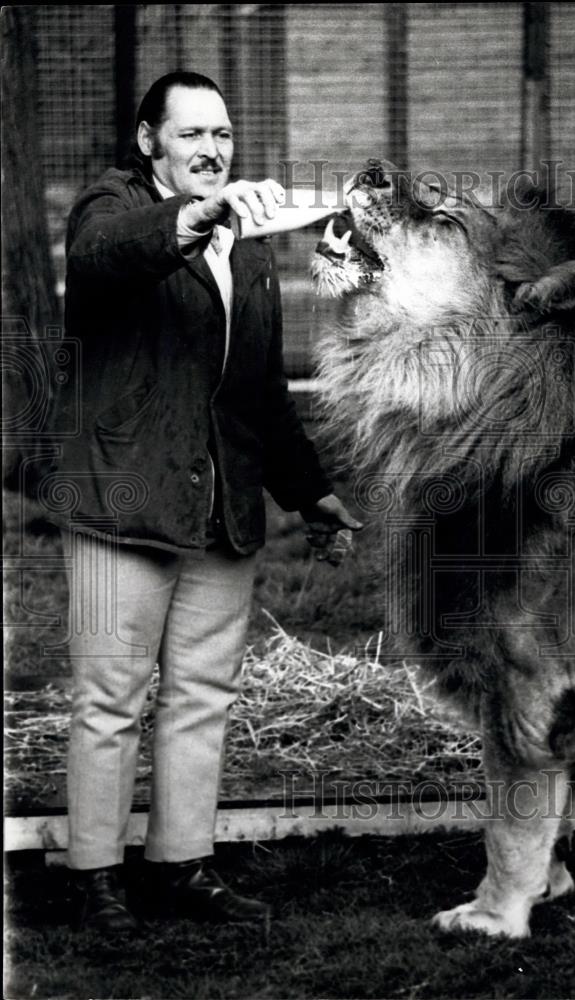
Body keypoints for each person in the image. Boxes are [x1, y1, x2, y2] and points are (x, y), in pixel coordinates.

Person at [45, 71, 362, 933]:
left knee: (203, 693)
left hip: (221, 509)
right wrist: (195, 221)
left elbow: (258, 394)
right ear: (150, 142)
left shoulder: (250, 248)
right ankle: (92, 878)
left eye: (222, 134)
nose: (212, 150)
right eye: (191, 135)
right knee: (109, 699)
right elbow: (111, 254)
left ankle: (183, 866)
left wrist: (311, 492)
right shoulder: (111, 211)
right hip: (119, 499)